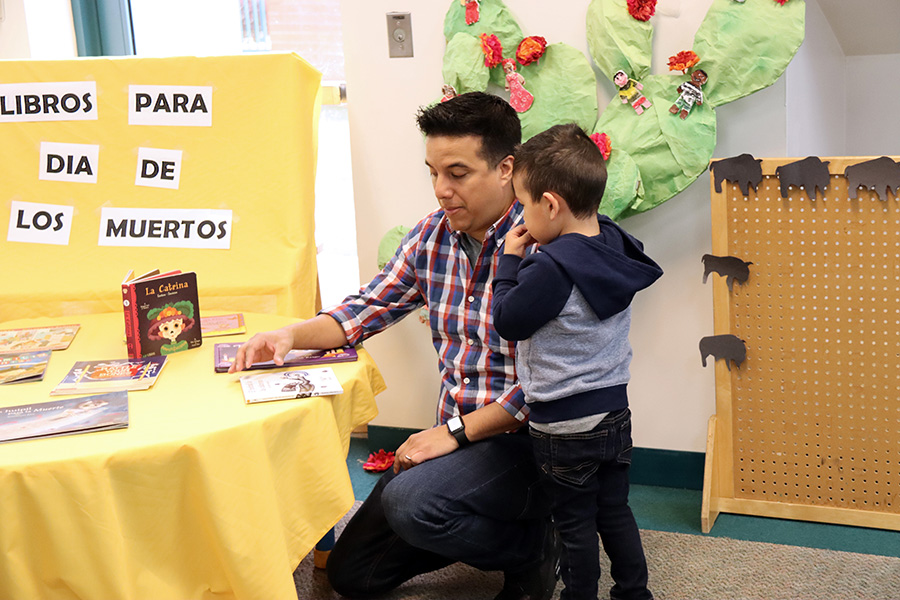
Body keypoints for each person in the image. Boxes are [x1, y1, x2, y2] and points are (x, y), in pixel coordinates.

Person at [229, 92, 560, 600]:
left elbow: (545, 386)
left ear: (505, 169)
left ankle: (534, 548)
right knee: (351, 575)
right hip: (458, 440)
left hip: (532, 445)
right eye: (432, 173)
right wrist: (289, 336)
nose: (441, 190)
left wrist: (451, 433)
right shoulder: (433, 235)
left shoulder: (546, 246)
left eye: (456, 173)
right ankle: (479, 524)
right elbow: (362, 311)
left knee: (412, 504)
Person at [491, 123, 663, 600]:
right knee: (615, 511)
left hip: (563, 425)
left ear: (551, 205)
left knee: (573, 525)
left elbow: (509, 319)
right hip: (613, 411)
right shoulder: (612, 241)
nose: (522, 216)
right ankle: (634, 592)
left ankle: (579, 595)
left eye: (525, 204)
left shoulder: (550, 267)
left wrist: (510, 259)